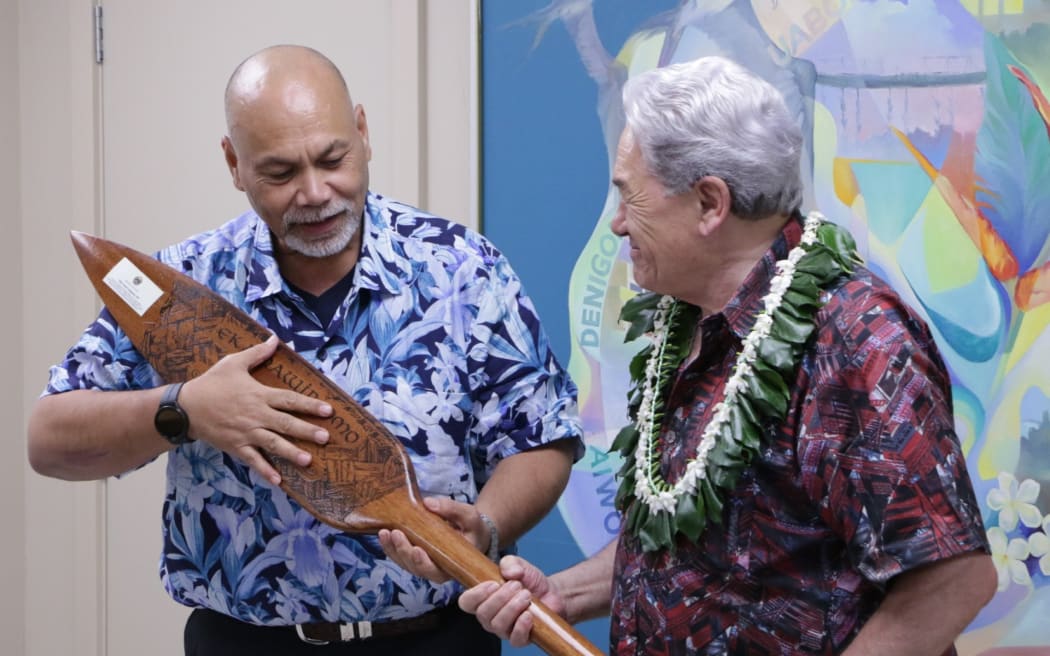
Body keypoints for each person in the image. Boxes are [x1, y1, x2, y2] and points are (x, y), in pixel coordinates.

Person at [379, 55, 997, 654]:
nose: (618, 223)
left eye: (630, 196)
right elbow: (686, 541)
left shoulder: (855, 337)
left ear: (709, 204)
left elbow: (953, 580)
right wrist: (560, 595)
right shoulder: (689, 319)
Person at [27, 44, 583, 656]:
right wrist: (185, 410)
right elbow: (49, 441)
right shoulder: (183, 288)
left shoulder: (461, 270)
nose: (315, 192)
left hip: (435, 639)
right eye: (280, 173)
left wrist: (486, 526)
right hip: (245, 645)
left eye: (331, 159)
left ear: (363, 133)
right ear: (234, 163)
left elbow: (542, 439)